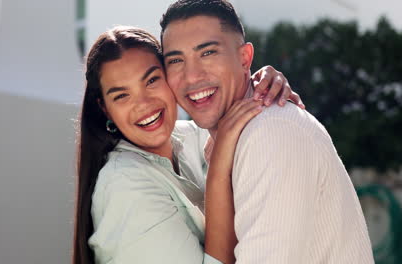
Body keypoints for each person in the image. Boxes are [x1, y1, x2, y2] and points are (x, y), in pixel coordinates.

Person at [160, 0, 375, 263]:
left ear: (244, 58)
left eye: (207, 53)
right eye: (176, 60)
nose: (192, 76)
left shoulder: (271, 133)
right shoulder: (218, 139)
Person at [73, 26, 301, 264]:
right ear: (104, 108)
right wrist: (218, 173)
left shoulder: (189, 136)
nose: (144, 105)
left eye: (151, 80)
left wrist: (259, 85)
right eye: (121, 96)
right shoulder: (124, 185)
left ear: (171, 77)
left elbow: (234, 115)